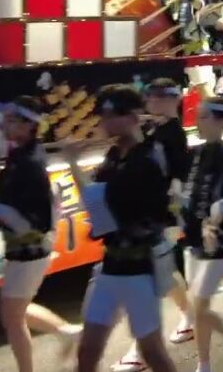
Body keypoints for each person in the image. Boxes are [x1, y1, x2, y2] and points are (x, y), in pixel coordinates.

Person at [0, 96, 80, 372]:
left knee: (12, 316)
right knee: (10, 312)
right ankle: (66, 332)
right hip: (24, 249)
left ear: (28, 125)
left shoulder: (29, 163)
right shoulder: (20, 155)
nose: (3, 124)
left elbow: (32, 217)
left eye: (10, 120)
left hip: (30, 250)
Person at [62, 85, 176, 372]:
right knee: (88, 350)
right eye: (102, 115)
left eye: (110, 114)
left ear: (133, 116)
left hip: (139, 269)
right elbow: (98, 200)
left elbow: (99, 207)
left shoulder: (147, 158)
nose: (104, 121)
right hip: (111, 266)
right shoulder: (116, 154)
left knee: (152, 352)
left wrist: (73, 163)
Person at [111, 79, 194, 372]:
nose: (154, 102)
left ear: (174, 100)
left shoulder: (173, 134)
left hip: (160, 217)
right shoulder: (154, 129)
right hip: (150, 216)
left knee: (147, 282)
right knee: (165, 274)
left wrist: (170, 216)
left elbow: (176, 178)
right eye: (151, 97)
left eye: (160, 97)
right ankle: (190, 317)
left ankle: (141, 349)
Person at [180, 96, 223, 372]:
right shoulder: (197, 152)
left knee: (199, 305)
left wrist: (212, 224)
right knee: (197, 305)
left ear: (220, 121)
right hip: (194, 237)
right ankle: (204, 363)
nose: (197, 121)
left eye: (203, 116)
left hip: (218, 240)